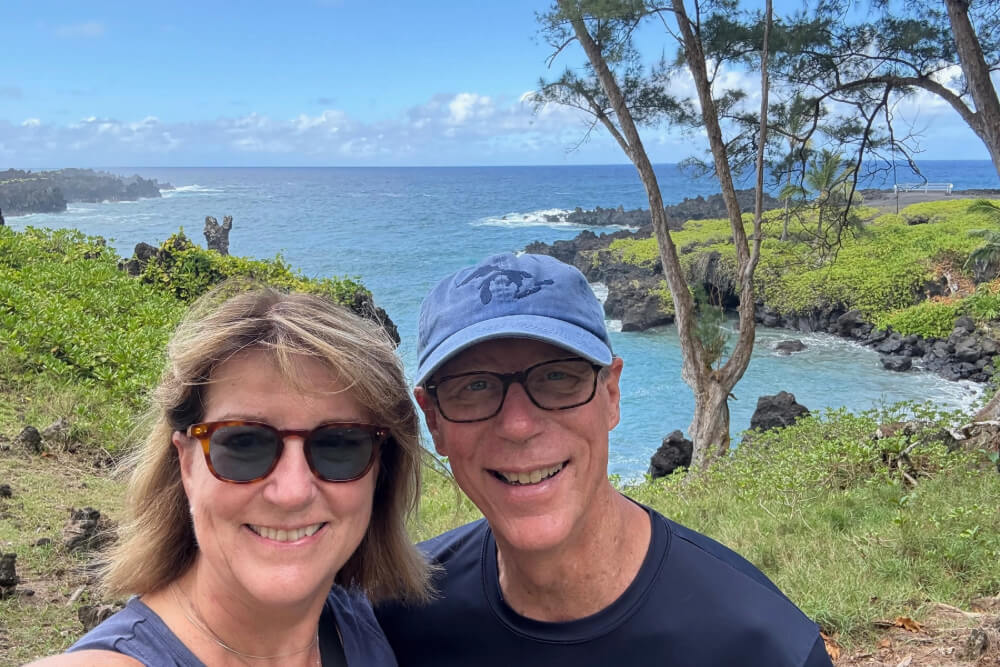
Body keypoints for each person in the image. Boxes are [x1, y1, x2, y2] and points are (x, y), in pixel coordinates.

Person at [375, 252, 833, 666]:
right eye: (474, 386)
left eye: (558, 377)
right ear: (434, 420)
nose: (518, 425)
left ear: (610, 394)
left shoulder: (764, 646)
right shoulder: (394, 618)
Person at [33, 286, 431, 666]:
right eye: (244, 444)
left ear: (380, 471)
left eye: (341, 445)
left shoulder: (361, 623)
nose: (291, 491)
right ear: (186, 464)